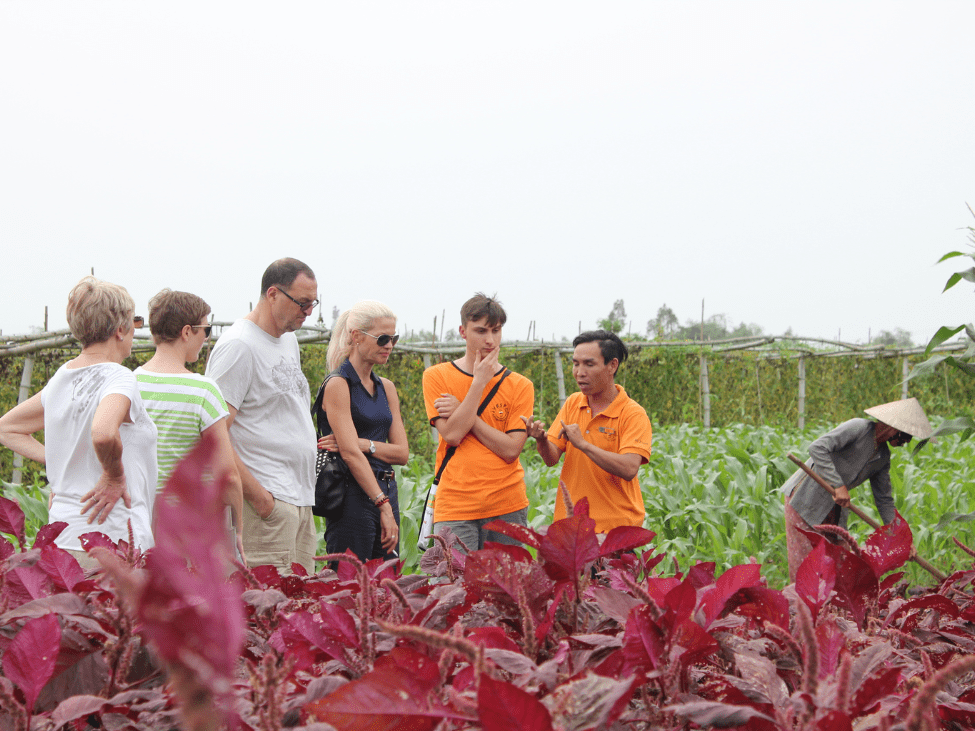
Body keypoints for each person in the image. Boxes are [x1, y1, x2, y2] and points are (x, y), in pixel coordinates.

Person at [0, 277, 157, 569]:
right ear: (120, 330)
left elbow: (7, 428)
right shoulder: (119, 377)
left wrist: (58, 463)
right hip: (112, 541)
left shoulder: (60, 379)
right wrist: (114, 476)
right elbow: (102, 433)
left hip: (63, 542)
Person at [204, 258, 318, 574]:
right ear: (272, 294)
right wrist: (260, 499)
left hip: (297, 500)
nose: (308, 312)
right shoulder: (239, 345)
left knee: (299, 607)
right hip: (266, 507)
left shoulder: (288, 341)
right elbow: (213, 432)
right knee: (265, 610)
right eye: (303, 303)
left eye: (313, 304)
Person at [135, 289, 245, 563]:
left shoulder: (130, 384)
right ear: (187, 332)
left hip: (143, 519)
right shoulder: (203, 390)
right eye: (205, 330)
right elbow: (227, 474)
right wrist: (239, 528)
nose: (206, 338)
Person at [422, 293, 534, 551]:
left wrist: (462, 410)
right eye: (481, 331)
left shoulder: (520, 385)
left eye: (496, 331)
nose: (490, 340)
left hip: (507, 504)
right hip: (455, 505)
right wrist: (479, 382)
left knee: (506, 588)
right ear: (463, 331)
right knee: (452, 587)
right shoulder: (437, 376)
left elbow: (510, 450)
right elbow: (451, 435)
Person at [782, 397, 933, 582]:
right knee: (806, 569)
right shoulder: (858, 428)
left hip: (834, 511)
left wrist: (901, 538)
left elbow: (884, 500)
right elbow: (818, 448)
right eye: (906, 436)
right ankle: (801, 610)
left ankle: (833, 611)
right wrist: (838, 485)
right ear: (893, 427)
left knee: (839, 567)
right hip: (805, 502)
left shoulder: (883, 457)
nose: (906, 442)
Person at [523, 330, 652, 532]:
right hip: (571, 527)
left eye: (589, 364)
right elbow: (551, 459)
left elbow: (629, 468)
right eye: (576, 363)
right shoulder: (573, 403)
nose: (579, 372)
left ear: (612, 365)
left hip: (614, 531)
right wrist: (541, 440)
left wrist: (583, 444)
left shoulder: (632, 414)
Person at [315, 301, 408, 562]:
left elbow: (402, 453)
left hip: (386, 488)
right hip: (351, 496)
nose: (389, 345)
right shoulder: (338, 384)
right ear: (356, 336)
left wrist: (364, 444)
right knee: (351, 585)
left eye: (394, 338)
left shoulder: (386, 388)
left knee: (387, 586)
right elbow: (350, 455)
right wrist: (382, 505)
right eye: (382, 338)